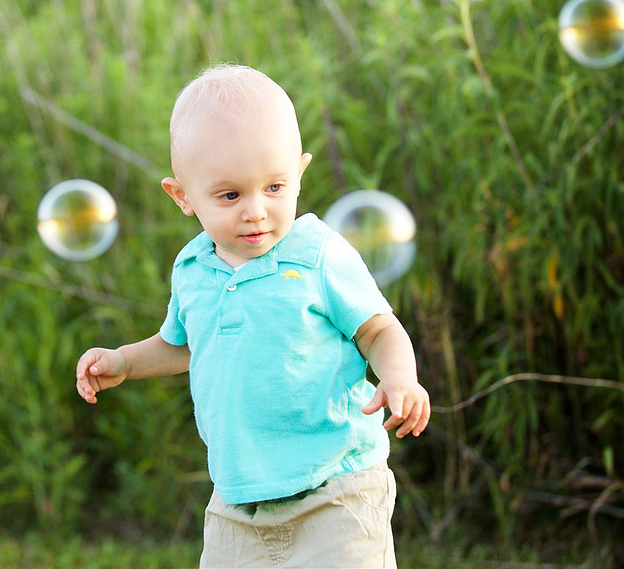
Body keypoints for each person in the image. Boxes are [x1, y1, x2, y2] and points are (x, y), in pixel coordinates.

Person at [75, 64, 430, 568]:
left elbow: (378, 329)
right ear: (183, 197)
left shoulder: (318, 256)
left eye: (275, 187)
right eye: (230, 195)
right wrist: (126, 362)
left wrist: (399, 377)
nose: (256, 210)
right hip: (237, 500)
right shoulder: (193, 268)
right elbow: (185, 344)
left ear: (300, 173)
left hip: (336, 487)